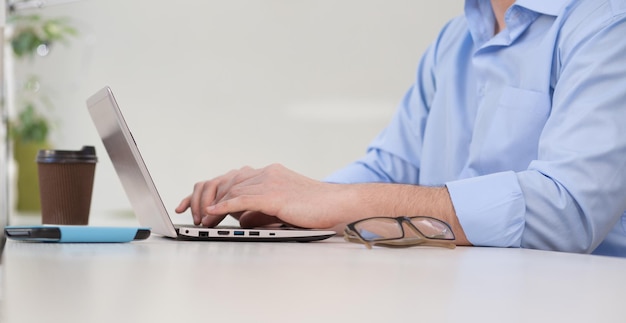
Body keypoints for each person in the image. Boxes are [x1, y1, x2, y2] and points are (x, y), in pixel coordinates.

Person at [176, 0, 626, 257]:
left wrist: (334, 202)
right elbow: (395, 165)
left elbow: (567, 211)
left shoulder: (608, 25)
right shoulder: (456, 37)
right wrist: (291, 207)